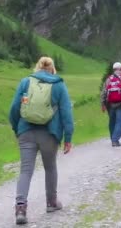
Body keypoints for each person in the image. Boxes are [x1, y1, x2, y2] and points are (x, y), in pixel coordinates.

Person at [8, 57, 74, 225]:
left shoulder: (25, 82)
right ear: (53, 69)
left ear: (37, 67)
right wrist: (68, 138)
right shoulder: (59, 85)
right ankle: (51, 203)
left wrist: (17, 129)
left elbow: (14, 109)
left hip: (26, 132)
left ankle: (20, 208)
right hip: (49, 134)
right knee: (50, 167)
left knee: (25, 170)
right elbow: (66, 113)